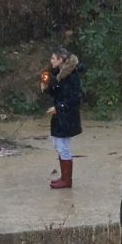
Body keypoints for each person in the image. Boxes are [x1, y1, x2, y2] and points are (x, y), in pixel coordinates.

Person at [42, 45, 84, 190]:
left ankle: (67, 180)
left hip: (67, 116)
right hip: (60, 115)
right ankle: (64, 178)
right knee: (58, 145)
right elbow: (57, 92)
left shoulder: (71, 76)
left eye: (53, 58)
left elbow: (76, 99)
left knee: (63, 146)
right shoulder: (58, 73)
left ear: (61, 59)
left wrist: (59, 108)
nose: (51, 60)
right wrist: (47, 87)